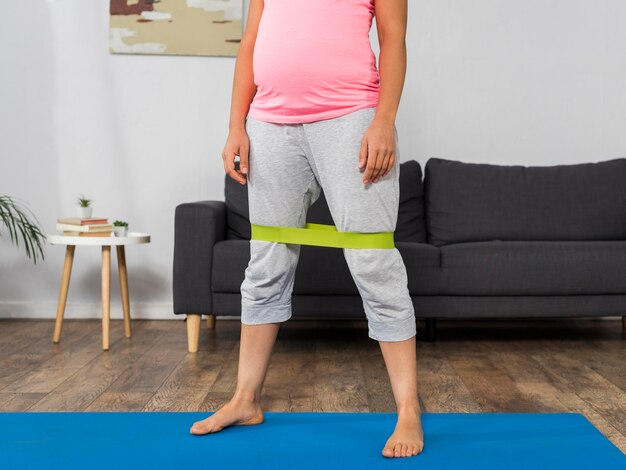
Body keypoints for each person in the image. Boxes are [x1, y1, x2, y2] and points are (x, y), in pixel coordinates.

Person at [190, 0, 424, 459]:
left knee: (373, 259)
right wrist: (236, 125)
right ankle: (245, 400)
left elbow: (394, 39)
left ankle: (409, 409)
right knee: (267, 260)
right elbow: (251, 42)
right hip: (270, 123)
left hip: (351, 117)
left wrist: (384, 120)